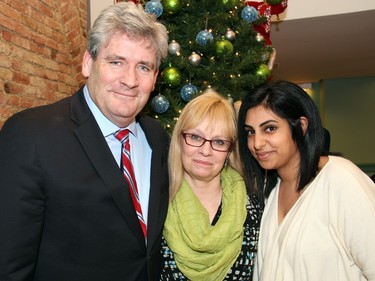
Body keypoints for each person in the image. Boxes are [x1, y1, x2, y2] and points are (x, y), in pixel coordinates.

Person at [0, 2, 169, 280]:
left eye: (143, 67)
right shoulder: (30, 136)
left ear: (155, 78)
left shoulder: (158, 139)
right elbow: (9, 267)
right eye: (117, 62)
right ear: (88, 63)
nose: (130, 80)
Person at [237, 80, 375, 281]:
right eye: (251, 132)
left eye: (269, 129)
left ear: (301, 127)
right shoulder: (270, 189)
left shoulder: (340, 179)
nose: (257, 143)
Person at [160, 90, 262, 280]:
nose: (206, 151)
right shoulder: (157, 204)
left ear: (229, 150)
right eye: (196, 137)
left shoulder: (253, 207)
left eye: (219, 141)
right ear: (180, 140)